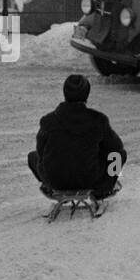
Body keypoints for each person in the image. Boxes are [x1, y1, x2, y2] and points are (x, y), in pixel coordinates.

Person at [27, 74, 127, 205]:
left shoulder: (49, 121)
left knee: (32, 157)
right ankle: (103, 189)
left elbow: (41, 152)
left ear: (64, 93)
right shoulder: (98, 120)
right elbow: (116, 148)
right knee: (119, 155)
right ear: (87, 94)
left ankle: (50, 186)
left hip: (56, 181)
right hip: (90, 179)